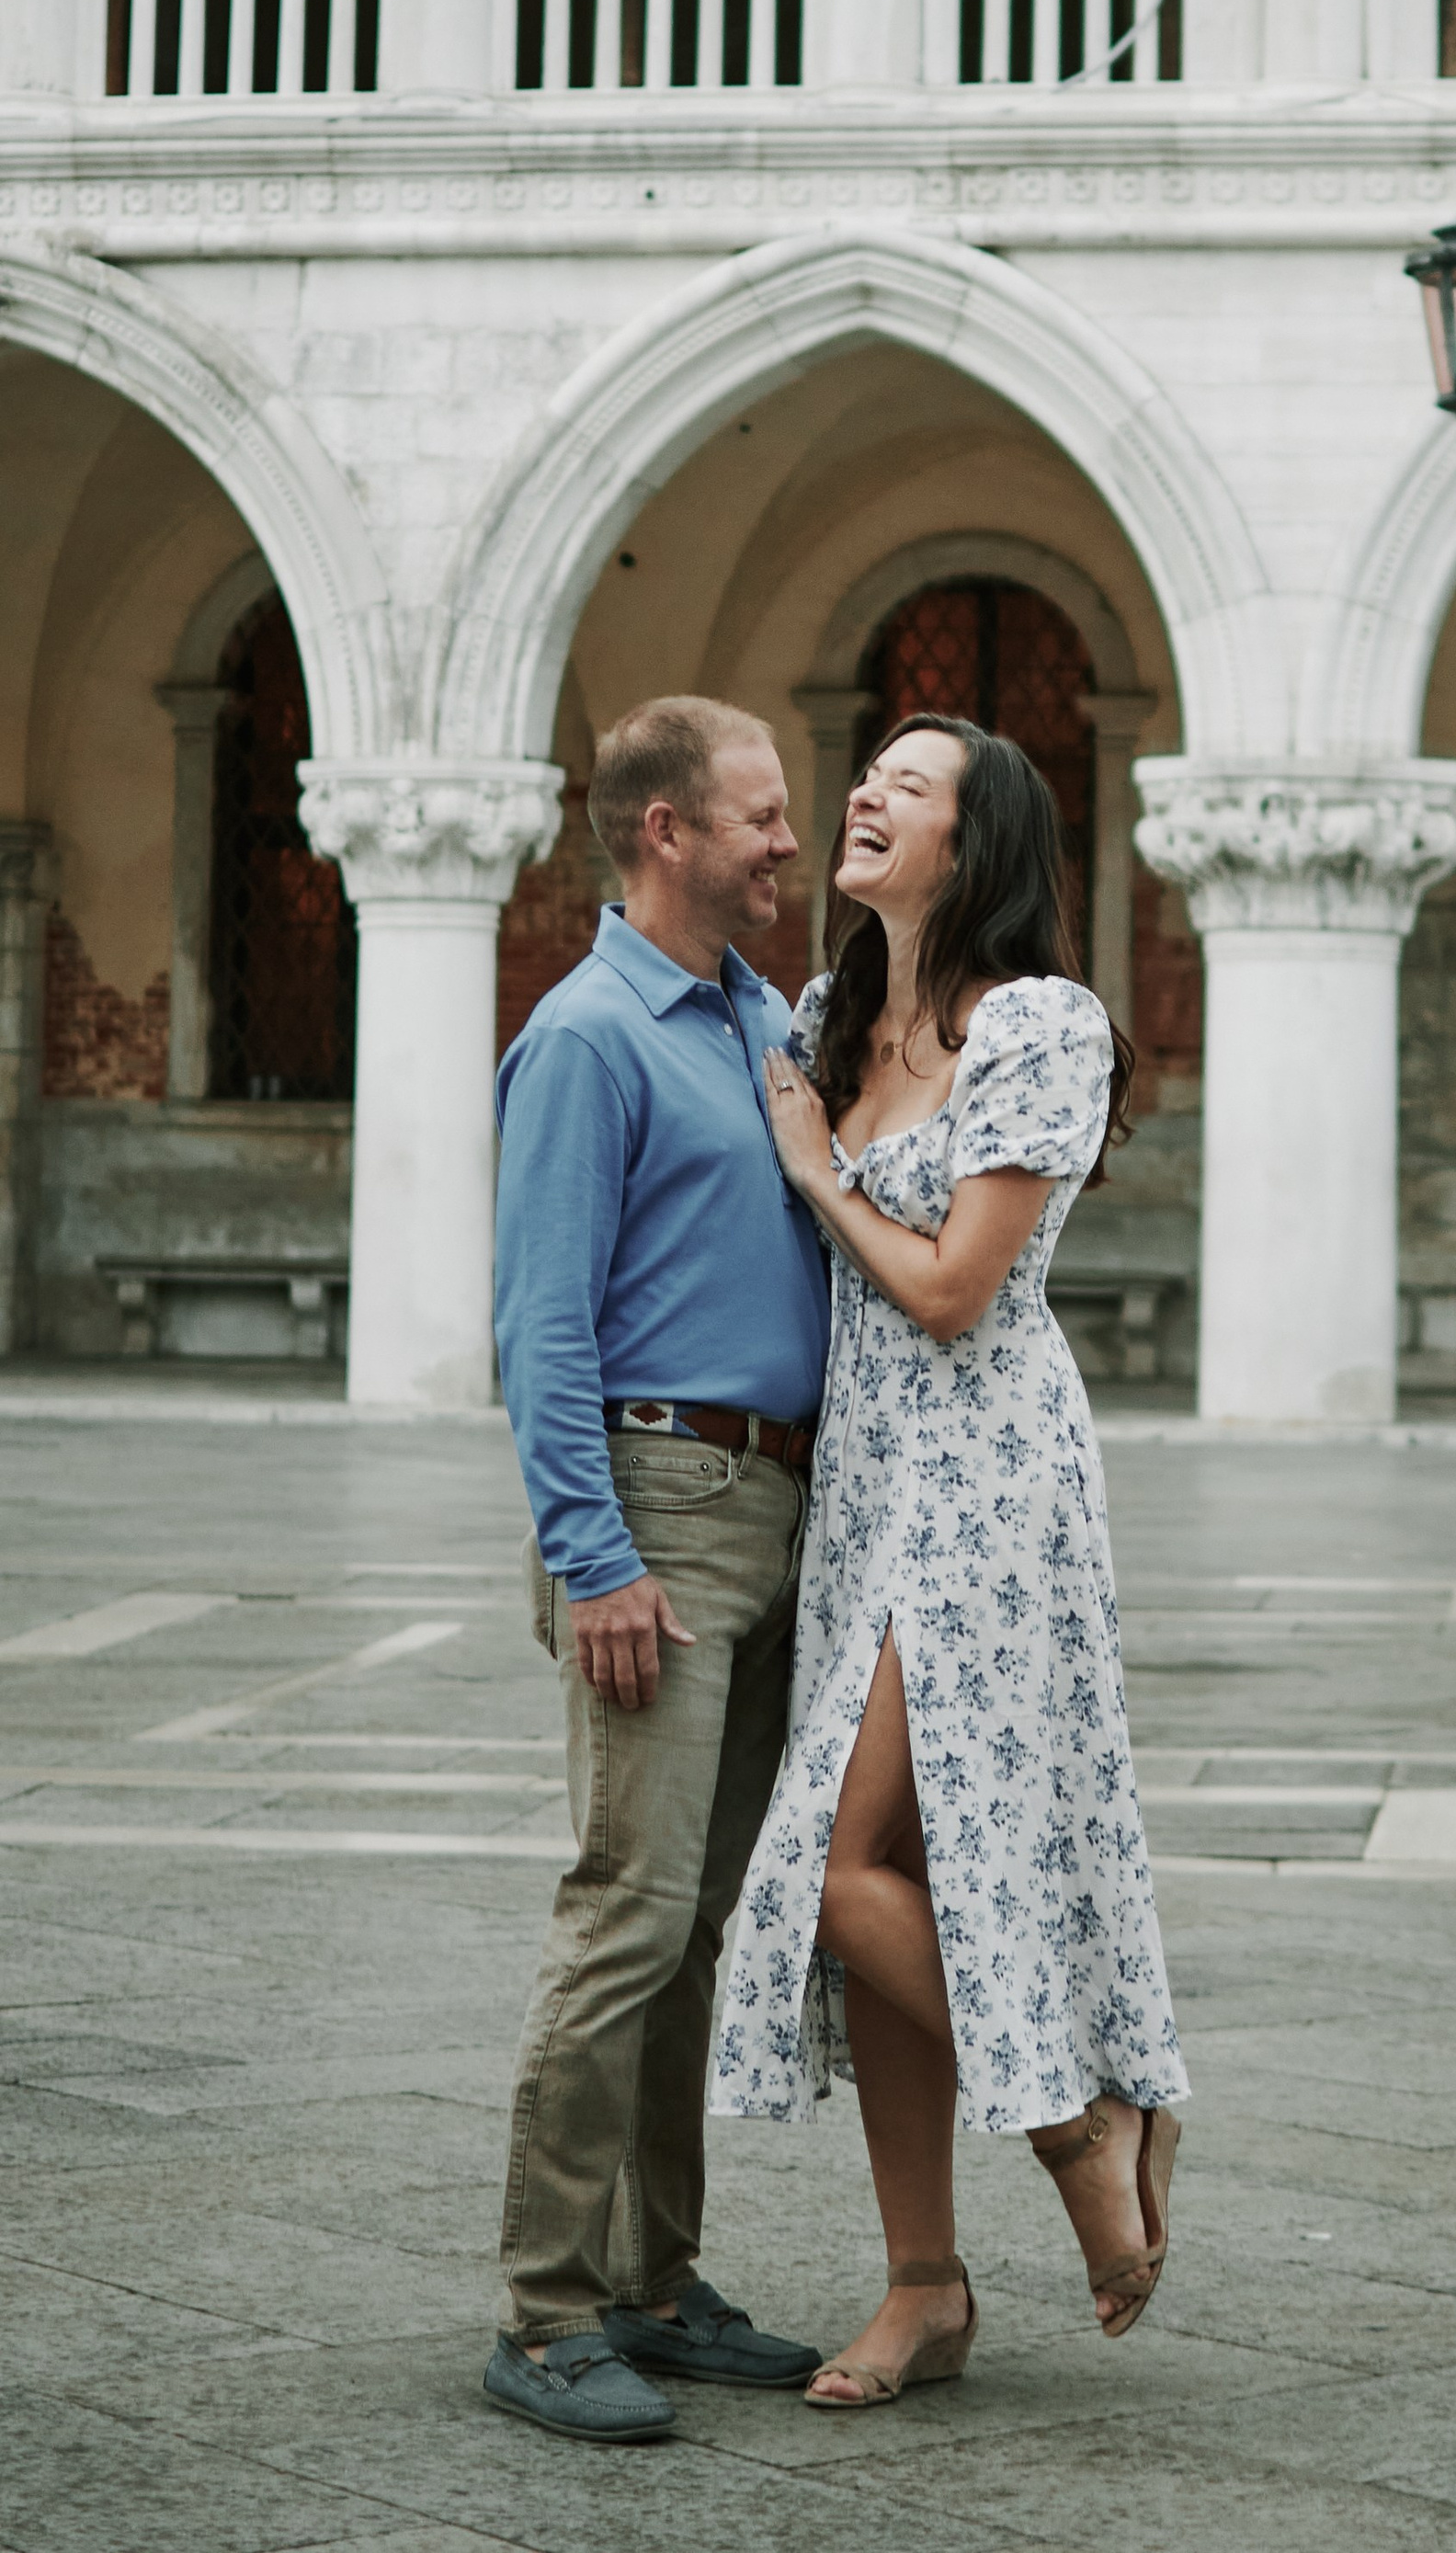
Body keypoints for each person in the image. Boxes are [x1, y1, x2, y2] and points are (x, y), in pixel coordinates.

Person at [713, 712, 1188, 2410]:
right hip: (862, 1481)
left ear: (974, 846)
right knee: (882, 1872)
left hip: (989, 1475)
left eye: (906, 789)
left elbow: (949, 1290)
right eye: (870, 777)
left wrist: (816, 1165)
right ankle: (925, 2285)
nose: (864, 797)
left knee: (834, 1869)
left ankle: (1081, 2127)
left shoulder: (1039, 1024)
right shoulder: (828, 1022)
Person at [482, 696, 834, 2443]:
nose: (791, 840)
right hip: (660, 1505)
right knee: (625, 1909)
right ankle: (547, 2312)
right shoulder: (589, 1036)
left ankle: (654, 2281)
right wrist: (594, 1555)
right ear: (663, 835)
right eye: (760, 817)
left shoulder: (767, 1020)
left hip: (774, 1506)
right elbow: (539, 1325)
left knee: (698, 1925)